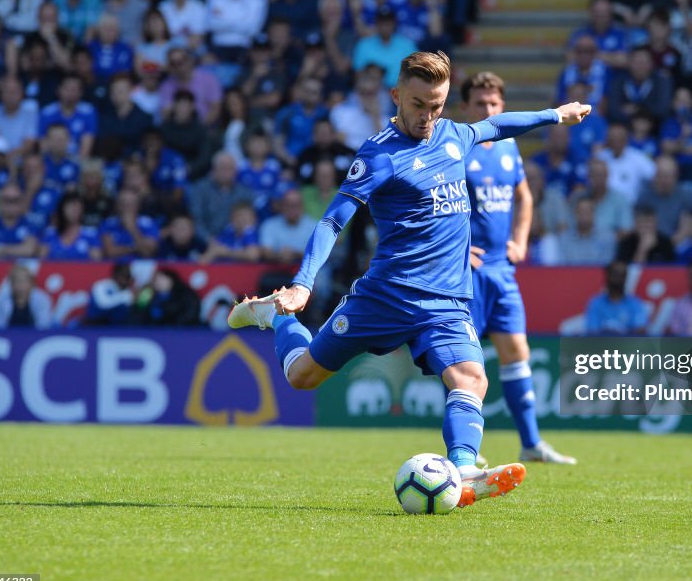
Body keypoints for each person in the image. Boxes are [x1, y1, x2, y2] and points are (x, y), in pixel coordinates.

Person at [227, 51, 592, 507]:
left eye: (437, 105)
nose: (428, 116)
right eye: (419, 105)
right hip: (385, 298)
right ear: (397, 96)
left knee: (471, 379)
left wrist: (555, 115)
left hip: (446, 302)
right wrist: (302, 283)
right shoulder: (379, 156)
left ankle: (461, 469)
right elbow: (331, 223)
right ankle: (272, 317)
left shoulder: (454, 135)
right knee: (303, 376)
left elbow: (498, 126)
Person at [460, 71, 576, 465]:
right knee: (466, 362)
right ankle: (466, 451)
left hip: (502, 270)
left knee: (517, 351)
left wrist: (521, 240)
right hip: (466, 273)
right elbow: (438, 206)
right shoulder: (460, 148)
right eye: (480, 103)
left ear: (503, 106)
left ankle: (530, 443)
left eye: (494, 104)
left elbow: (524, 197)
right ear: (466, 108)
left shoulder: (508, 147)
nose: (488, 109)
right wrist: (459, 249)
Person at [584, 260, 649, 336]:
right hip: (601, 346)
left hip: (628, 346)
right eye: (615, 274)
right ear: (607, 276)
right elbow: (592, 331)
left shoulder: (635, 303)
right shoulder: (596, 303)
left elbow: (640, 330)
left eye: (622, 275)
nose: (618, 279)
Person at [0, 262, 52, 329]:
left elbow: (43, 326)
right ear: (11, 284)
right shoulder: (2, 299)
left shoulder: (42, 299)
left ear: (32, 283)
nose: (21, 285)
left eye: (24, 281)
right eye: (17, 281)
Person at [85, 261, 135, 326]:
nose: (129, 280)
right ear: (116, 275)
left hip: (117, 327)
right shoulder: (101, 285)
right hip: (95, 324)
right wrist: (125, 296)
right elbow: (103, 303)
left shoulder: (128, 291)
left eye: (130, 277)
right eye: (126, 276)